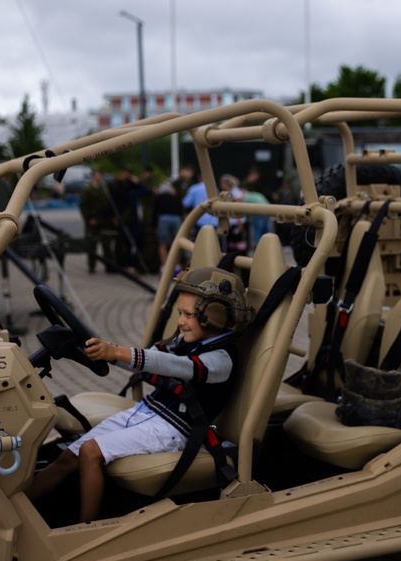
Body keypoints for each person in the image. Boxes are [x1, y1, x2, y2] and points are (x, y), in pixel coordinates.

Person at [25, 267, 252, 522]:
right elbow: (148, 359)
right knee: (68, 457)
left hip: (174, 430)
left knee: (90, 451)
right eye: (180, 313)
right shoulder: (187, 341)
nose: (180, 321)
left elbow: (174, 365)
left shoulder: (221, 359)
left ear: (215, 316)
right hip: (148, 412)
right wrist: (107, 352)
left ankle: (86, 530)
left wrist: (117, 352)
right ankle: (17, 511)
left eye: (188, 315)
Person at [78, 170, 118, 273]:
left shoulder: (104, 190)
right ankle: (91, 266)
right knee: (91, 244)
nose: (99, 177)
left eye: (101, 175)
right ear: (93, 176)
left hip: (104, 221)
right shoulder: (87, 190)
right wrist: (89, 219)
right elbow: (83, 206)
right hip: (92, 221)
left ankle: (109, 266)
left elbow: (110, 205)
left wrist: (112, 217)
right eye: (98, 175)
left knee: (107, 244)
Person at [153, 181, 184, 267]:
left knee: (162, 243)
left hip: (164, 218)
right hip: (176, 219)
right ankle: (177, 265)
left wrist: (154, 225)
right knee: (176, 243)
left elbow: (155, 211)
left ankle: (164, 266)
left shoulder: (160, 196)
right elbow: (181, 211)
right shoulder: (177, 197)